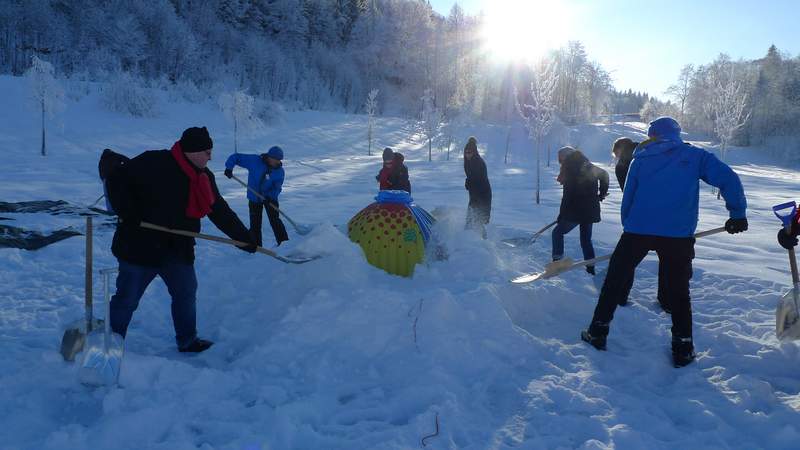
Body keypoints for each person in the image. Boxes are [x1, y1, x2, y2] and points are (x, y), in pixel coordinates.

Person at [581, 117, 748, 368]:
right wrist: (737, 214)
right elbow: (729, 179)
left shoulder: (640, 158)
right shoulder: (694, 156)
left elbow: (629, 196)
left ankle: (597, 332)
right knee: (679, 292)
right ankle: (683, 348)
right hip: (677, 235)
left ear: (652, 135)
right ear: (677, 134)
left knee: (614, 281)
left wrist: (631, 225)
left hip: (638, 230)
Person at [106, 126, 257, 353]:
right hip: (139, 247)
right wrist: (127, 211)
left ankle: (187, 340)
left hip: (177, 249)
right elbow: (116, 178)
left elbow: (219, 210)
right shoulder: (153, 162)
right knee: (127, 299)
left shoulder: (203, 177)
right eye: (206, 152)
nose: (210, 157)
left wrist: (243, 238)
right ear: (192, 151)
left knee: (186, 293)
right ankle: (110, 344)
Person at [552, 146, 609, 275]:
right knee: (586, 240)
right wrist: (602, 193)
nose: (560, 162)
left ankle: (557, 262)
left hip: (576, 211)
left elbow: (567, 196)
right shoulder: (587, 165)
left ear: (566, 158)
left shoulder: (570, 170)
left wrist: (562, 215)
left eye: (561, 159)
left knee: (557, 233)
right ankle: (590, 268)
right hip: (590, 210)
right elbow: (604, 175)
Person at [224, 146, 288, 247]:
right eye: (275, 159)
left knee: (275, 221)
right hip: (254, 197)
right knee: (255, 224)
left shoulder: (279, 171)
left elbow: (277, 188)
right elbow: (236, 157)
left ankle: (284, 243)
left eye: (279, 160)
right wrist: (229, 167)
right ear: (269, 157)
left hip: (270, 199)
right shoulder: (255, 161)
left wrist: (270, 196)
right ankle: (256, 246)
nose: (277, 162)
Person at [463, 137, 492, 238]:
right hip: (474, 195)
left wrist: (470, 183)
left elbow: (481, 181)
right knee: (470, 219)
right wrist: (468, 181)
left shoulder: (479, 163)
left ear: (474, 152)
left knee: (479, 220)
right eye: (466, 152)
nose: (467, 154)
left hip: (483, 195)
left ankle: (484, 244)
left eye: (470, 152)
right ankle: (467, 240)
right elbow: (471, 177)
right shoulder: (468, 162)